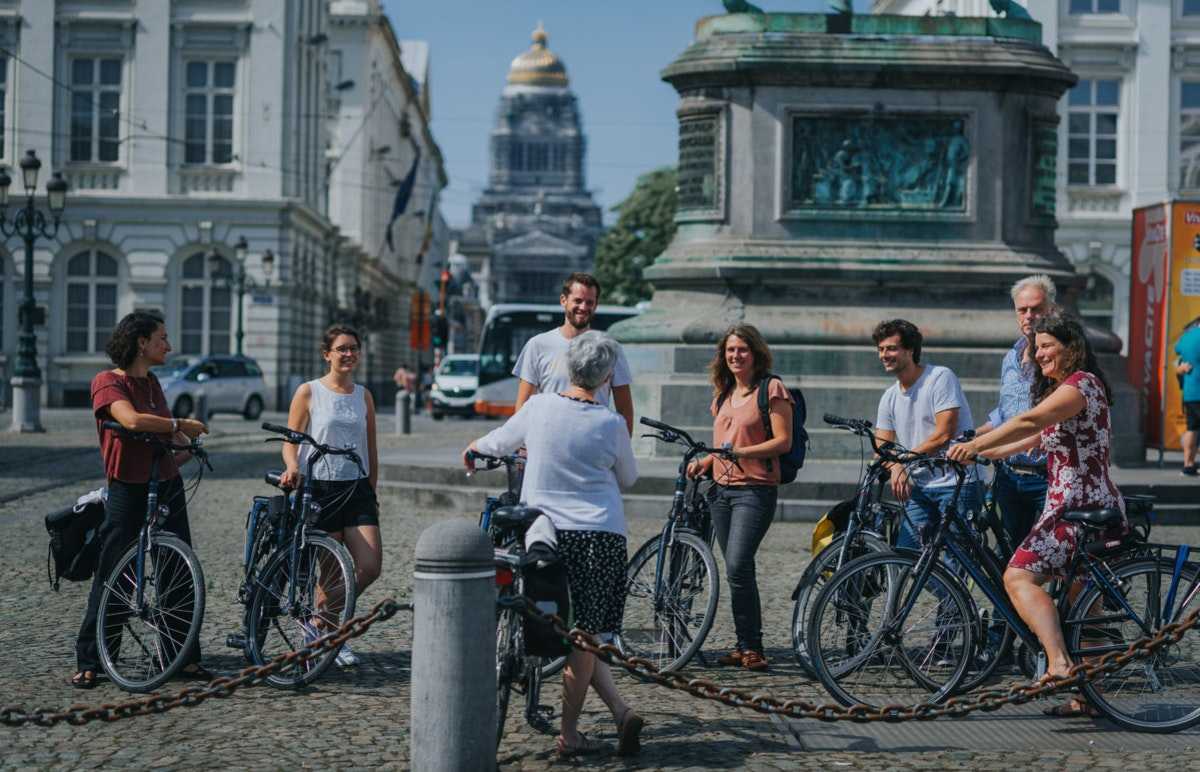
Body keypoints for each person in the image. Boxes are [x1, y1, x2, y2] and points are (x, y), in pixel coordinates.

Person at [464, 331, 643, 758]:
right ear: (605, 379)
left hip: (544, 533)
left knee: (559, 625)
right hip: (599, 537)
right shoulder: (612, 423)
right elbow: (629, 478)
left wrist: (472, 450)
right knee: (587, 636)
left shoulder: (540, 407)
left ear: (567, 368)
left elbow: (500, 441)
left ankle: (615, 714)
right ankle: (572, 731)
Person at [949, 314, 1128, 717]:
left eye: (1047, 345)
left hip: (1079, 509)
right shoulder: (1070, 390)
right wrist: (979, 447)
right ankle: (1089, 699)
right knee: (1087, 611)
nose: (1039, 353)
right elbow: (1032, 437)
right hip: (1083, 506)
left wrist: (977, 448)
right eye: (1037, 347)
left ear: (1072, 347)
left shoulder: (1080, 384)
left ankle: (1059, 662)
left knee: (1019, 576)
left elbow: (1029, 420)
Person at [75, 311, 209, 689]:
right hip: (128, 488)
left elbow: (168, 442)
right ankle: (93, 658)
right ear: (141, 343)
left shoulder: (153, 384)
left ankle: (181, 657)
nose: (168, 345)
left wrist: (189, 445)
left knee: (177, 572)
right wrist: (179, 425)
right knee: (114, 572)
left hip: (166, 483)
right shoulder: (107, 382)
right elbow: (131, 421)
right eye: (162, 338)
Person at [686, 324, 793, 672]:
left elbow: (783, 441)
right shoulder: (723, 393)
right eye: (730, 350)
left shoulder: (771, 389)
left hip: (755, 490)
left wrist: (742, 453)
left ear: (756, 353)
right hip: (720, 491)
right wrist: (706, 461)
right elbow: (723, 446)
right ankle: (745, 644)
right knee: (737, 571)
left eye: (742, 350)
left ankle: (754, 647)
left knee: (737, 564)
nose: (735, 356)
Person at [279, 325, 381, 668]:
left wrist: (372, 486)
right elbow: (290, 440)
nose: (349, 354)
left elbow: (371, 445)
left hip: (358, 486)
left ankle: (318, 626)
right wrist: (292, 466)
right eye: (342, 349)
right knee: (332, 571)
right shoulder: (309, 392)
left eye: (353, 348)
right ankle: (331, 636)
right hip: (322, 486)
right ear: (328, 354)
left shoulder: (363, 395)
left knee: (369, 566)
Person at [872, 319, 980, 551]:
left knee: (956, 560)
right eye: (880, 349)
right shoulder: (889, 396)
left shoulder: (939, 377)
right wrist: (895, 466)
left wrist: (903, 460)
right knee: (905, 554)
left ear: (910, 350)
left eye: (891, 348)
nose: (884, 354)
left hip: (957, 481)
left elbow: (943, 434)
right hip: (921, 486)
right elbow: (882, 446)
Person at [975, 275, 1057, 550]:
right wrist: (969, 435)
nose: (1029, 316)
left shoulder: (1060, 358)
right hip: (1009, 476)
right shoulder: (1010, 357)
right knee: (1008, 554)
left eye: (1037, 308)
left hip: (1047, 476)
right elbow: (1006, 412)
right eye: (1023, 310)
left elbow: (1038, 418)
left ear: (1051, 310)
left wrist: (980, 447)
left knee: (1054, 559)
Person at [513, 272, 634, 434]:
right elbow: (522, 405)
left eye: (589, 302)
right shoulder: (537, 345)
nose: (583, 307)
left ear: (596, 305)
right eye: (578, 301)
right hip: (549, 442)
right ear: (563, 300)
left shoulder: (610, 348)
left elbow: (625, 408)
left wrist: (621, 449)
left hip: (593, 442)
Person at [1173, 316, 1200, 476]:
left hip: (1190, 392)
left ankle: (1188, 465)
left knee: (1192, 428)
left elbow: (1178, 351)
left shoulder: (1187, 337)